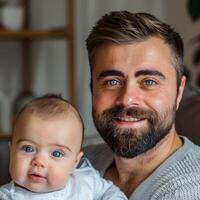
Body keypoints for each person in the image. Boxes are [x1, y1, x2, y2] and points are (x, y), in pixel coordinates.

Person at [85, 11, 200, 199]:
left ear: (179, 92)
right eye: (112, 81)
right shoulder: (78, 162)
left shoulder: (191, 189)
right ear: (92, 88)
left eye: (149, 82)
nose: (126, 99)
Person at [0, 95, 127, 200]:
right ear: (11, 151)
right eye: (28, 149)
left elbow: (111, 192)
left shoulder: (85, 180)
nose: (39, 162)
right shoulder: (7, 196)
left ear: (74, 163)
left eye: (56, 154)